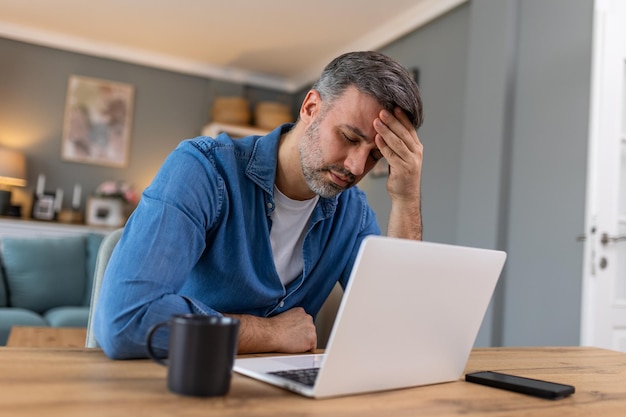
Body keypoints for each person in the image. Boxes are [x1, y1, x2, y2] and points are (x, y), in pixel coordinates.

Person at [94, 51, 424, 359]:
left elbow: (394, 330)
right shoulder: (203, 170)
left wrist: (406, 199)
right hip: (184, 381)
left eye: (375, 156)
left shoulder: (352, 214)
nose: (355, 167)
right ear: (310, 108)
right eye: (349, 138)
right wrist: (267, 334)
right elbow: (125, 322)